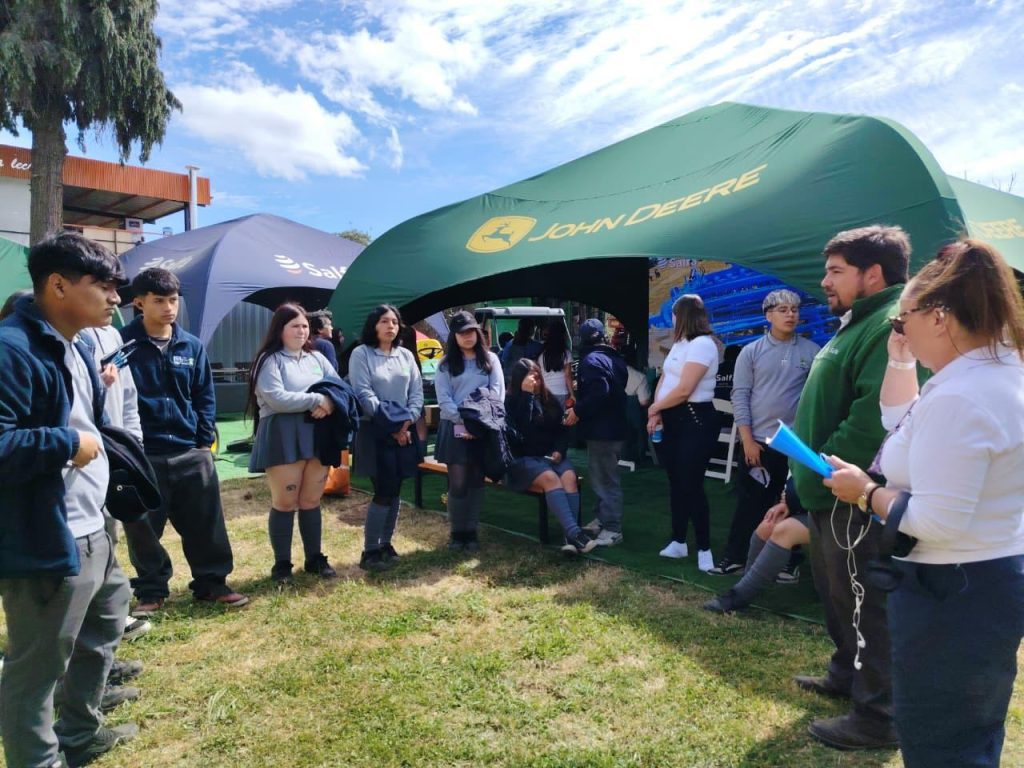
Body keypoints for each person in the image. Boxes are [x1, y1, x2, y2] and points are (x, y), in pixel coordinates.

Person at [824, 239, 1024, 767]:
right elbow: (905, 424)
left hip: (952, 591)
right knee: (967, 734)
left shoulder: (962, 395)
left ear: (938, 317)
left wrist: (865, 492)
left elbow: (932, 520)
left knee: (942, 742)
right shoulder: (991, 374)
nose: (898, 328)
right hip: (981, 581)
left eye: (901, 318)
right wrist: (899, 360)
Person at [0, 233, 137, 767]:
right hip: (46, 537)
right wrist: (65, 443)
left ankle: (79, 730)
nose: (115, 298)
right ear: (57, 286)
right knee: (34, 672)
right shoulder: (12, 350)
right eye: (102, 286)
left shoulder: (77, 344)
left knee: (106, 621)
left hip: (92, 526)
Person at [789, 225, 910, 750]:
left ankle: (880, 715)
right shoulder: (856, 322)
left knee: (865, 603)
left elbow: (871, 421)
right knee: (839, 596)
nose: (825, 280)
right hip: (828, 490)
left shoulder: (888, 323)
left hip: (851, 493)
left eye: (836, 271)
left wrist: (821, 471)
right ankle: (845, 673)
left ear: (873, 274)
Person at [121, 268, 248, 614]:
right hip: (143, 455)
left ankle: (212, 584)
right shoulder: (121, 345)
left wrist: (202, 439)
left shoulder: (191, 346)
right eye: (159, 300)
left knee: (206, 523)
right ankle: (151, 590)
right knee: (144, 528)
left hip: (190, 452)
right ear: (139, 302)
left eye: (173, 300)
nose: (168, 308)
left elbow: (204, 395)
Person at [708, 289, 820, 575]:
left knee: (791, 504)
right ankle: (736, 557)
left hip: (794, 445)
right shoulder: (751, 352)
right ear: (768, 315)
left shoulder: (812, 352)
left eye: (794, 309)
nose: (790, 314)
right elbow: (740, 395)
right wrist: (746, 439)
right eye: (782, 310)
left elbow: (815, 399)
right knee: (750, 503)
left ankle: (789, 563)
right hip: (757, 442)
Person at [247, 303, 341, 583]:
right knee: (285, 501)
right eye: (294, 326)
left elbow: (338, 387)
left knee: (311, 500)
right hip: (282, 435)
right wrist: (317, 400)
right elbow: (277, 397)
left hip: (318, 434)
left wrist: (332, 403)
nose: (301, 331)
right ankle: (282, 564)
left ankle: (315, 558)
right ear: (280, 329)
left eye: (304, 326)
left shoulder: (317, 359)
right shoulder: (269, 360)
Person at [647, 295, 721, 571]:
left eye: (675, 315)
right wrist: (657, 411)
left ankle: (705, 548)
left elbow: (684, 389)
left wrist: (655, 407)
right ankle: (678, 540)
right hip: (673, 418)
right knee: (676, 482)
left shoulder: (703, 345)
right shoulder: (680, 344)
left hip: (696, 419)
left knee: (691, 483)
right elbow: (666, 379)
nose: (673, 320)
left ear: (683, 316)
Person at [349, 305, 424, 570]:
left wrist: (406, 424)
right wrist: (392, 427)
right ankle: (370, 551)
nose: (390, 326)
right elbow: (363, 393)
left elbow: (417, 393)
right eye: (384, 321)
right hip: (375, 431)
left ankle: (385, 543)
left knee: (395, 490)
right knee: (382, 490)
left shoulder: (405, 355)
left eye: (394, 321)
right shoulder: (361, 353)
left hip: (404, 431)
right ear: (374, 325)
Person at [505, 359, 596, 554]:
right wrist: (527, 397)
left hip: (549, 456)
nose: (535, 382)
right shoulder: (510, 401)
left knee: (569, 477)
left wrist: (559, 450)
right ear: (519, 380)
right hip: (523, 458)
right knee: (550, 478)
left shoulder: (549, 399)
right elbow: (521, 432)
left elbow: (562, 431)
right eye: (530, 378)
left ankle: (569, 538)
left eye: (537, 377)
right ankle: (575, 533)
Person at [434, 310, 504, 551]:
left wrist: (480, 425)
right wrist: (464, 424)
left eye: (471, 331)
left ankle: (471, 531)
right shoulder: (445, 365)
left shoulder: (491, 360)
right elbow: (444, 400)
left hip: (483, 429)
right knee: (458, 483)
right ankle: (457, 532)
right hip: (454, 428)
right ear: (454, 336)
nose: (468, 336)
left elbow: (497, 393)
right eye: (462, 332)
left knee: (476, 481)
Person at [704, 478, 811, 612]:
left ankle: (740, 596)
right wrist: (785, 503)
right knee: (767, 526)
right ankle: (746, 586)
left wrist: (793, 499)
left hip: (835, 517)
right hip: (808, 511)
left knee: (785, 531)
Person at [565, 318, 628, 547]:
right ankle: (602, 519)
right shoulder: (615, 358)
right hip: (615, 427)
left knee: (605, 479)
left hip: (602, 430)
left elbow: (600, 392)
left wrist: (577, 410)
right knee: (603, 476)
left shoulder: (590, 361)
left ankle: (612, 527)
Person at [538, 319, 574, 408]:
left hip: (546, 393)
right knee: (560, 419)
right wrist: (572, 394)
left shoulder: (542, 354)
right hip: (561, 392)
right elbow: (568, 376)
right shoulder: (566, 354)